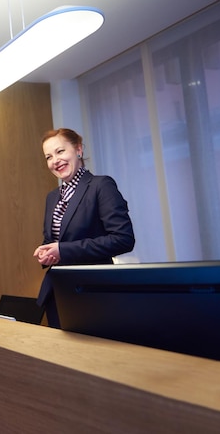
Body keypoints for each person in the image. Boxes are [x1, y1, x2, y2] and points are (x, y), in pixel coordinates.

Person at [33, 128, 134, 328]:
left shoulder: (101, 185)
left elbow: (123, 238)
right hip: (59, 292)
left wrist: (63, 250)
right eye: (49, 157)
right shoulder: (52, 197)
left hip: (93, 294)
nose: (55, 161)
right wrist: (47, 252)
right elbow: (53, 241)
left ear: (78, 150)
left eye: (60, 151)